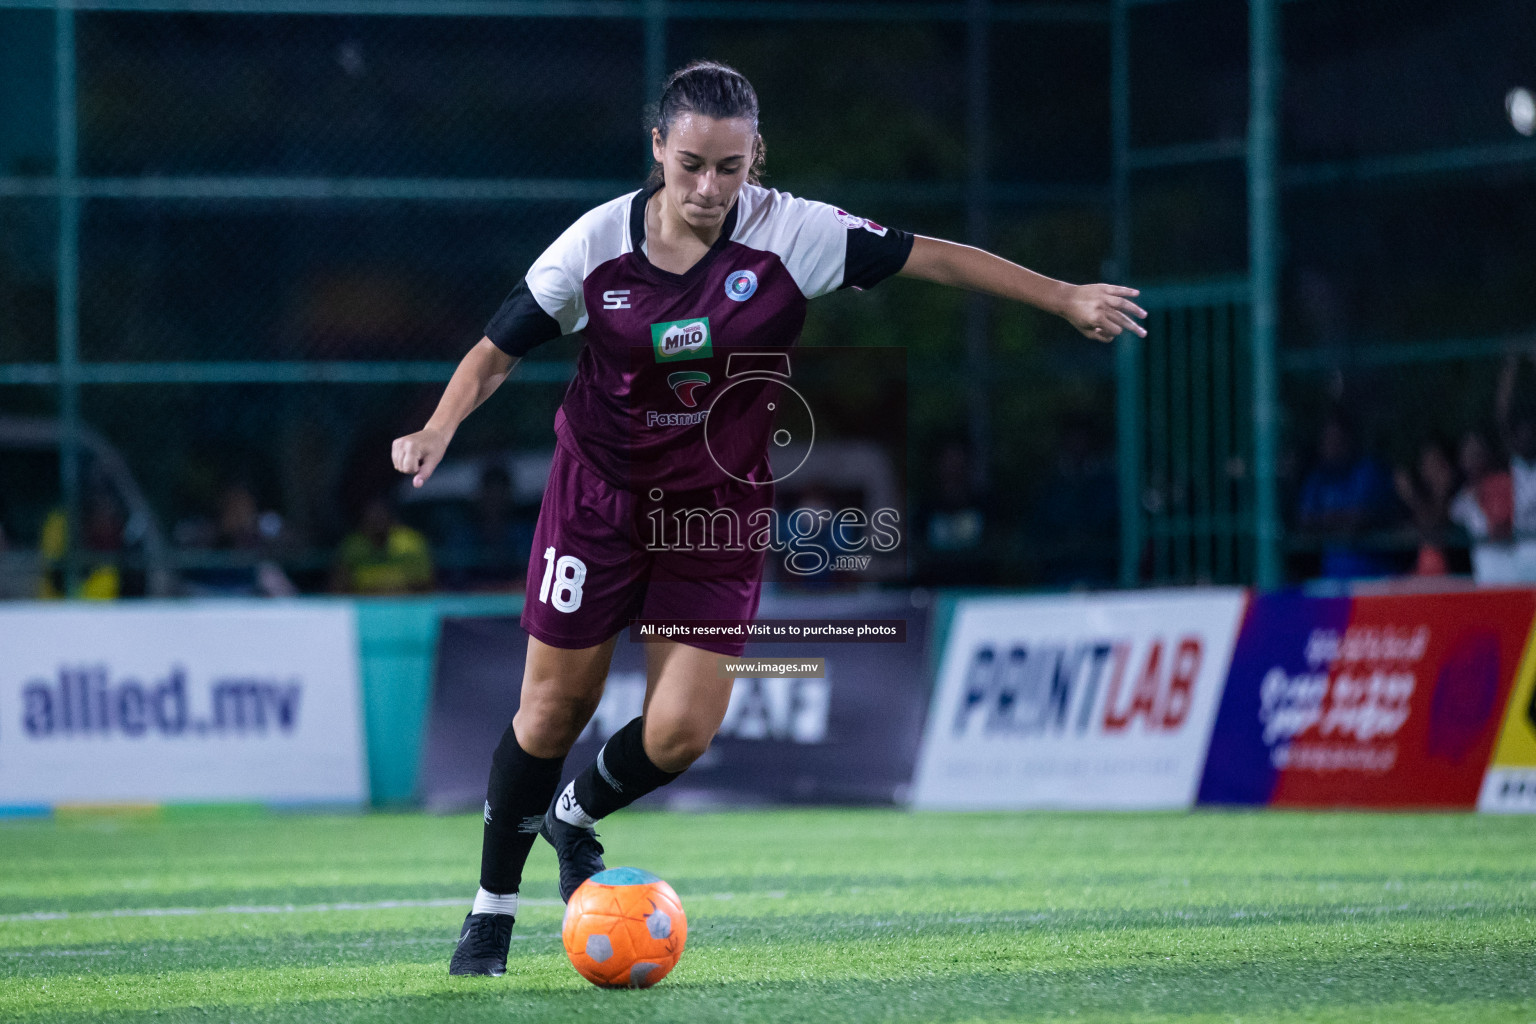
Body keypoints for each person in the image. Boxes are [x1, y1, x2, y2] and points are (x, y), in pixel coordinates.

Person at [389, 61, 1147, 978]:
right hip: (598, 499)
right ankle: (490, 915)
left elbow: (934, 256)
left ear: (757, 158)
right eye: (693, 165)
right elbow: (494, 351)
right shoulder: (592, 246)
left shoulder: (796, 234)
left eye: (731, 168)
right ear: (658, 147)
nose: (711, 189)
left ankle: (575, 817)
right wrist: (437, 427)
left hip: (716, 509)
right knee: (552, 710)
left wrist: (1063, 296)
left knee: (681, 734)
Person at [1295, 412, 1399, 579]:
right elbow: (1305, 523)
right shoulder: (1318, 478)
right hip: (1332, 577)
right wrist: (1339, 520)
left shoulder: (1368, 471)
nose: (1331, 446)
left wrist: (1324, 521)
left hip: (1373, 576)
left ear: (1349, 440)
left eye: (1336, 440)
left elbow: (1358, 522)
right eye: (1327, 440)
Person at [331, 495, 434, 594]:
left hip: (404, 606)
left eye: (380, 516)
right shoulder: (353, 545)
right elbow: (338, 587)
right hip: (363, 606)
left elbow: (426, 586)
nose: (377, 522)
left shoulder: (411, 542)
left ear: (390, 517)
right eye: (372, 517)